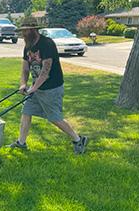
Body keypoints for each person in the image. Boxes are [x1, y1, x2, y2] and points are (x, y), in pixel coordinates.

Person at [9, 23, 89, 154]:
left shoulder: (47, 44)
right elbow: (25, 68)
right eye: (22, 31)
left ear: (33, 30)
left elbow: (45, 71)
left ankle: (78, 139)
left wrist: (33, 88)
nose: (23, 34)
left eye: (25, 31)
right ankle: (21, 142)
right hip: (37, 88)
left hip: (52, 87)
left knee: (54, 117)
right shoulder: (28, 46)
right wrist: (23, 84)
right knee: (26, 112)